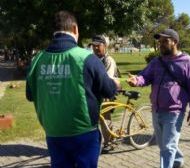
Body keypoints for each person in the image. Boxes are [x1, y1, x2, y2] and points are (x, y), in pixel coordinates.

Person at [26, 11, 120, 168]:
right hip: (84, 133)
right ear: (75, 29)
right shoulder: (87, 58)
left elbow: (30, 95)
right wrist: (115, 84)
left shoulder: (37, 60)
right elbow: (109, 91)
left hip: (53, 132)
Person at [127, 28, 190, 168]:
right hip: (156, 110)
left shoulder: (188, 62)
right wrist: (136, 80)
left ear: (175, 42)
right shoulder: (157, 62)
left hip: (175, 111)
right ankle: (177, 162)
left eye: (165, 41)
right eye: (160, 42)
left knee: (167, 147)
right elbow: (145, 76)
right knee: (164, 145)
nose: (161, 44)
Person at [91, 34, 120, 153]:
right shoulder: (93, 59)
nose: (96, 48)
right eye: (94, 46)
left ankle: (109, 143)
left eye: (99, 45)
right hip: (96, 93)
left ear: (105, 46)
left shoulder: (109, 60)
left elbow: (107, 80)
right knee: (97, 118)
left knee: (105, 118)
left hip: (108, 92)